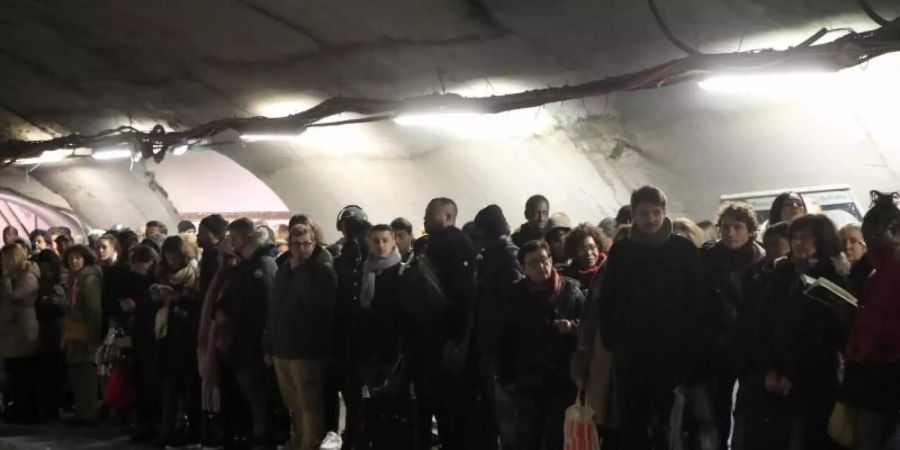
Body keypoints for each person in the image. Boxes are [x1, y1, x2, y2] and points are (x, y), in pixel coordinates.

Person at [599, 186, 704, 450]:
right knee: (633, 428)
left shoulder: (684, 251)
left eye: (656, 212)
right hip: (632, 358)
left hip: (672, 358)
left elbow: (697, 303)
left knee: (668, 429)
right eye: (644, 213)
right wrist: (616, 342)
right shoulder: (621, 253)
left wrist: (689, 351)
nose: (651, 219)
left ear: (665, 212)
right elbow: (608, 302)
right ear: (633, 215)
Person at [732, 214, 847, 450]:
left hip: (814, 380)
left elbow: (827, 334)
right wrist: (769, 369)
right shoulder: (780, 274)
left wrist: (792, 374)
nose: (797, 243)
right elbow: (760, 323)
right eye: (794, 237)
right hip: (774, 378)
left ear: (821, 240)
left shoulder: (834, 277)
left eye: (805, 237)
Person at [403, 197, 477, 450]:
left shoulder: (455, 246)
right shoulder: (436, 245)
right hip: (432, 342)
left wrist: (456, 341)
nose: (424, 218)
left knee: (446, 410)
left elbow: (463, 299)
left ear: (446, 216)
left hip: (442, 342)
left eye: (429, 213)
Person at [693, 202, 765, 449]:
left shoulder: (762, 261)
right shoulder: (707, 258)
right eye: (726, 227)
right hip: (716, 344)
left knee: (748, 407)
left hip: (751, 345)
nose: (731, 232)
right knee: (716, 407)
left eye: (738, 226)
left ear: (750, 230)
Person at [499, 240, 584, 450]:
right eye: (534, 262)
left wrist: (572, 327)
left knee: (557, 436)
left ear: (552, 260)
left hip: (563, 378)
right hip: (529, 378)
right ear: (523, 268)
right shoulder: (514, 295)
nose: (542, 266)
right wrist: (506, 377)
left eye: (545, 260)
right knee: (529, 435)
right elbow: (504, 339)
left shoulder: (571, 290)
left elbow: (590, 326)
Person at [267, 223, 337, 450]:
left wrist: (301, 271)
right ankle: (298, 442)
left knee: (310, 406)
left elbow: (318, 306)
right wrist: (269, 344)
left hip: (306, 350)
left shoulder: (321, 269)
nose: (301, 249)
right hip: (283, 348)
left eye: (306, 244)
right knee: (294, 406)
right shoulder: (284, 269)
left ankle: (310, 444)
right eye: (296, 244)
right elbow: (274, 308)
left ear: (314, 243)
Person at [843, 191, 900, 450]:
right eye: (869, 239)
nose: (872, 245)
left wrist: (869, 321)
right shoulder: (874, 273)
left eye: (876, 238)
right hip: (869, 378)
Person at [217, 218, 277, 448]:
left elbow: (267, 304)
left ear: (246, 237)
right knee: (249, 391)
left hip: (254, 341)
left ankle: (262, 437)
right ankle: (255, 434)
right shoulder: (246, 264)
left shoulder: (262, 264)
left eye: (234, 238)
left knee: (257, 394)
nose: (231, 243)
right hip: (243, 339)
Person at [354, 224, 414, 450]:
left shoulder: (402, 273)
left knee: (397, 405)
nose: (380, 245)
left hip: (393, 354)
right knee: (373, 406)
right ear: (369, 242)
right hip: (369, 352)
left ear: (394, 241)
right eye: (376, 240)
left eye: (385, 240)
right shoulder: (364, 272)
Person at [471, 205, 523, 450]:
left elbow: (509, 311)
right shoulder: (497, 257)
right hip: (496, 349)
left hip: (504, 352)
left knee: (509, 420)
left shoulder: (506, 258)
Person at [155, 235, 202, 447]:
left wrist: (179, 299)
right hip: (167, 338)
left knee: (190, 390)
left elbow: (199, 304)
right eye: (168, 254)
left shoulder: (194, 273)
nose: (171, 259)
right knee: (169, 389)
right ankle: (168, 431)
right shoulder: (162, 275)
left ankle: (192, 431)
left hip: (188, 338)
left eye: (175, 254)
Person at [332, 213, 372, 445]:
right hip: (348, 345)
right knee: (352, 396)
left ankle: (359, 435)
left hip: (365, 345)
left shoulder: (372, 266)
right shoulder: (341, 264)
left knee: (363, 398)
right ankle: (354, 435)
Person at [124, 245, 163, 443]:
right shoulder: (136, 282)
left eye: (135, 263)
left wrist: (136, 307)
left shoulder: (155, 285)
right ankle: (145, 424)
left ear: (148, 263)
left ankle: (151, 425)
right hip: (141, 339)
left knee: (149, 385)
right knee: (141, 383)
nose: (132, 267)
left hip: (151, 341)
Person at [62, 244, 103, 426]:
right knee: (77, 371)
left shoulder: (88, 278)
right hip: (75, 328)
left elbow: (94, 308)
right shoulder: (75, 278)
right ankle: (83, 410)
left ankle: (88, 413)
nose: (74, 261)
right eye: (71, 258)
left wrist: (93, 335)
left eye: (78, 257)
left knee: (85, 372)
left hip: (84, 329)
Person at [0, 243, 41, 424]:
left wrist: (6, 278)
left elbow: (13, 296)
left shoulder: (28, 277)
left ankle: (27, 411)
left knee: (23, 374)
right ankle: (17, 408)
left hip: (22, 332)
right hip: (11, 332)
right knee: (14, 375)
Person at [33, 250, 66, 421]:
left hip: (53, 332)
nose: (46, 273)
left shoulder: (58, 286)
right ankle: (47, 405)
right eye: (42, 269)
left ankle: (53, 407)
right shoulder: (37, 285)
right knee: (44, 372)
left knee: (53, 371)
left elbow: (62, 310)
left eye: (49, 269)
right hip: (42, 332)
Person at [561, 222, 609, 293]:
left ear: (598, 247)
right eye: (583, 250)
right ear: (574, 252)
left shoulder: (609, 269)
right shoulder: (568, 278)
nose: (589, 253)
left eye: (592, 247)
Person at [839, 223, 872, 299]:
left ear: (864, 244)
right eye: (843, 241)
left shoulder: (870, 271)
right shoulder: (838, 269)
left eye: (853, 241)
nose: (847, 246)